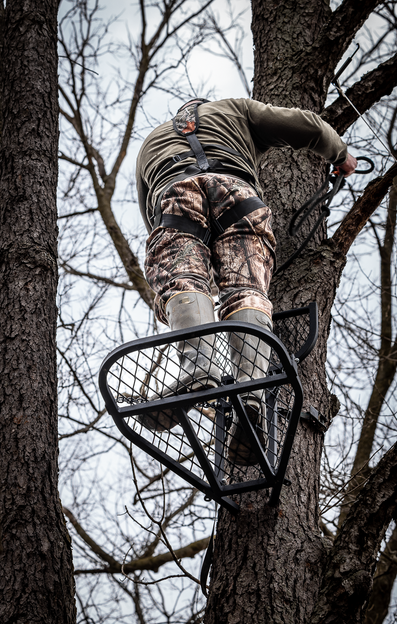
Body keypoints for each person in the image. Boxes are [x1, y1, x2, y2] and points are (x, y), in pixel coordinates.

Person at [135, 98, 357, 462]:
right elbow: (308, 125)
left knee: (184, 280)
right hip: (238, 195)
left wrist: (190, 265)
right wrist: (340, 154)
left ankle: (200, 371)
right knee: (246, 290)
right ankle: (250, 394)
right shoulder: (234, 111)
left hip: (175, 193)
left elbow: (150, 213)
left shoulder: (151, 142)